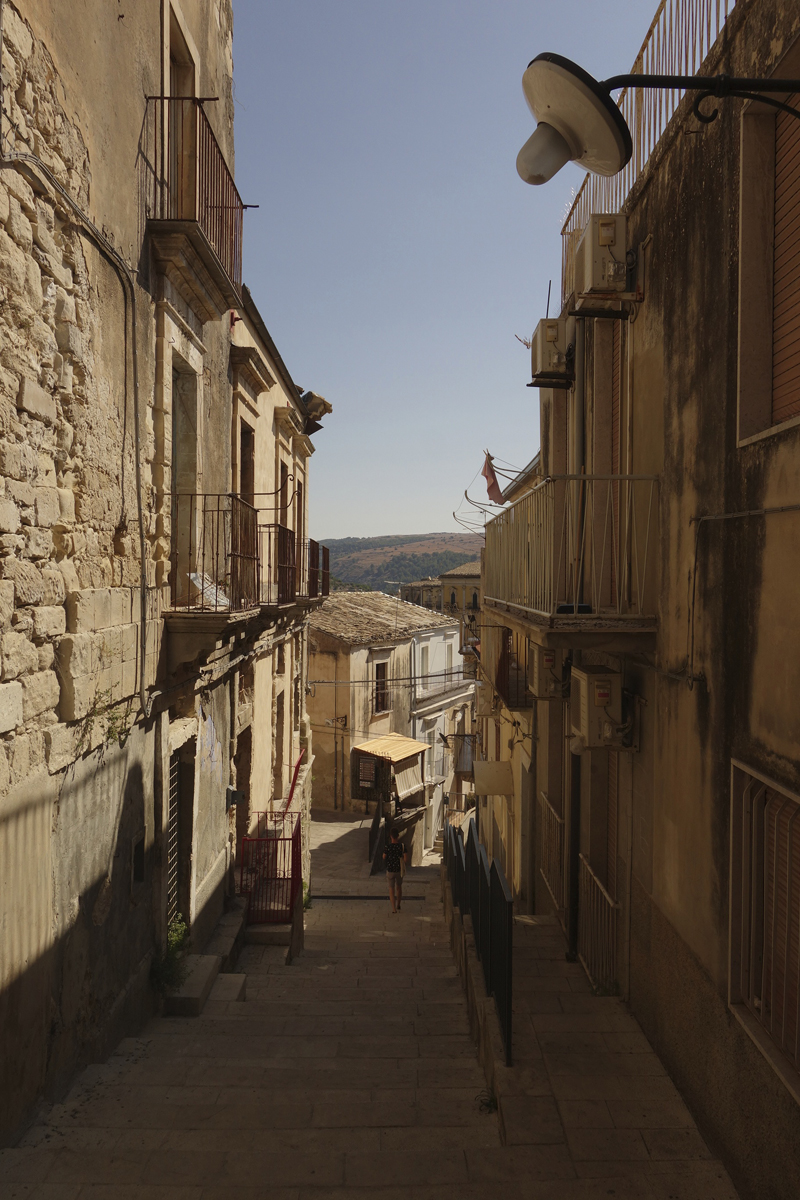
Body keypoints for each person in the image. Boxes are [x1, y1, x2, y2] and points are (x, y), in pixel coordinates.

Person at [383, 826, 408, 913]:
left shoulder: (388, 847)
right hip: (399, 870)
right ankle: (398, 904)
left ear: (391, 836)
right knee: (399, 887)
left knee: (391, 889)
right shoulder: (402, 846)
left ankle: (393, 909)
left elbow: (383, 857)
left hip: (390, 870)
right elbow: (405, 859)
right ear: (398, 836)